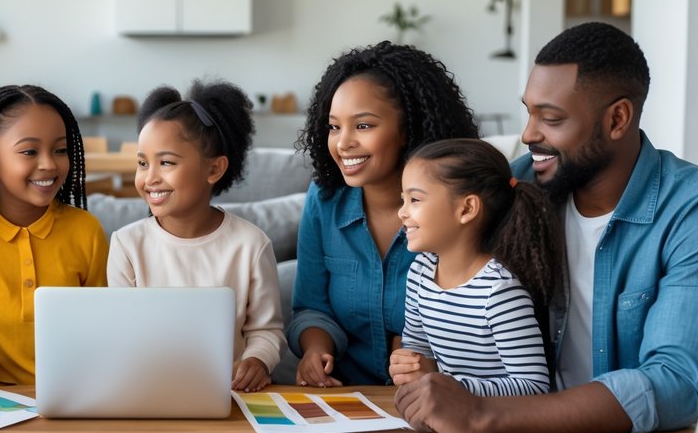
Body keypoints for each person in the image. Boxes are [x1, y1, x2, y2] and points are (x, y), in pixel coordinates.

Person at [395, 21, 698, 433]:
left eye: (551, 118)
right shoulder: (514, 189)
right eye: (529, 112)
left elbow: (677, 383)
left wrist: (481, 414)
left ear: (617, 119)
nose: (529, 134)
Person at [289, 42, 479, 388]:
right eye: (334, 127)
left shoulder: (455, 207)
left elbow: (478, 318)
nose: (343, 143)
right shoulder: (325, 199)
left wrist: (425, 358)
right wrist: (315, 350)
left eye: (363, 126)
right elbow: (310, 307)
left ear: (409, 128)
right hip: (348, 399)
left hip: (441, 398)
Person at [107, 79, 285, 392]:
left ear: (214, 170)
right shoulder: (126, 244)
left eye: (166, 162)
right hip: (146, 389)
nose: (150, 178)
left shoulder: (250, 245)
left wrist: (257, 361)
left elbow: (267, 331)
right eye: (142, 163)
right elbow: (120, 334)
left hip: (227, 394)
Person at [0, 85, 107, 385]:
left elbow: (105, 317)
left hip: (76, 388)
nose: (49, 164)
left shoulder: (86, 230)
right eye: (29, 151)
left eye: (60, 150)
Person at [389, 138, 562, 397]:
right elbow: (419, 350)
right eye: (403, 199)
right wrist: (409, 366)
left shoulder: (500, 292)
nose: (402, 212)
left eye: (414, 199)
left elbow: (533, 387)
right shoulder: (420, 272)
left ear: (467, 208)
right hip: (446, 419)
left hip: (497, 428)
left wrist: (446, 385)